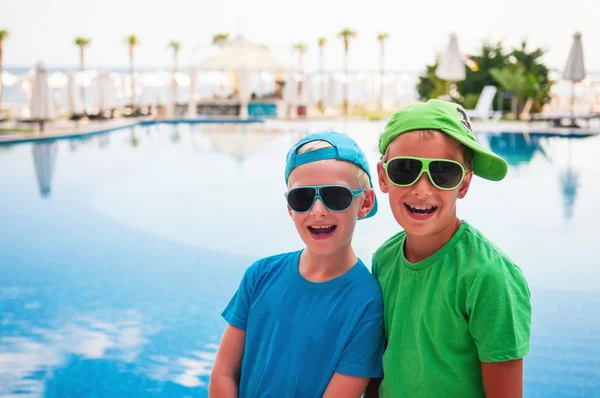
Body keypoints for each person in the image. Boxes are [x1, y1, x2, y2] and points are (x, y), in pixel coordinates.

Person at [367, 99, 532, 398]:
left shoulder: (489, 277)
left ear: (464, 184)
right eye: (405, 170)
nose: (422, 188)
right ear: (383, 177)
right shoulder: (384, 259)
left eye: (444, 173)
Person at [209, 131, 385, 397]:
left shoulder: (366, 302)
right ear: (290, 207)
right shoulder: (260, 275)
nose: (317, 210)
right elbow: (223, 374)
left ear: (365, 202)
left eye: (335, 196)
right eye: (302, 198)